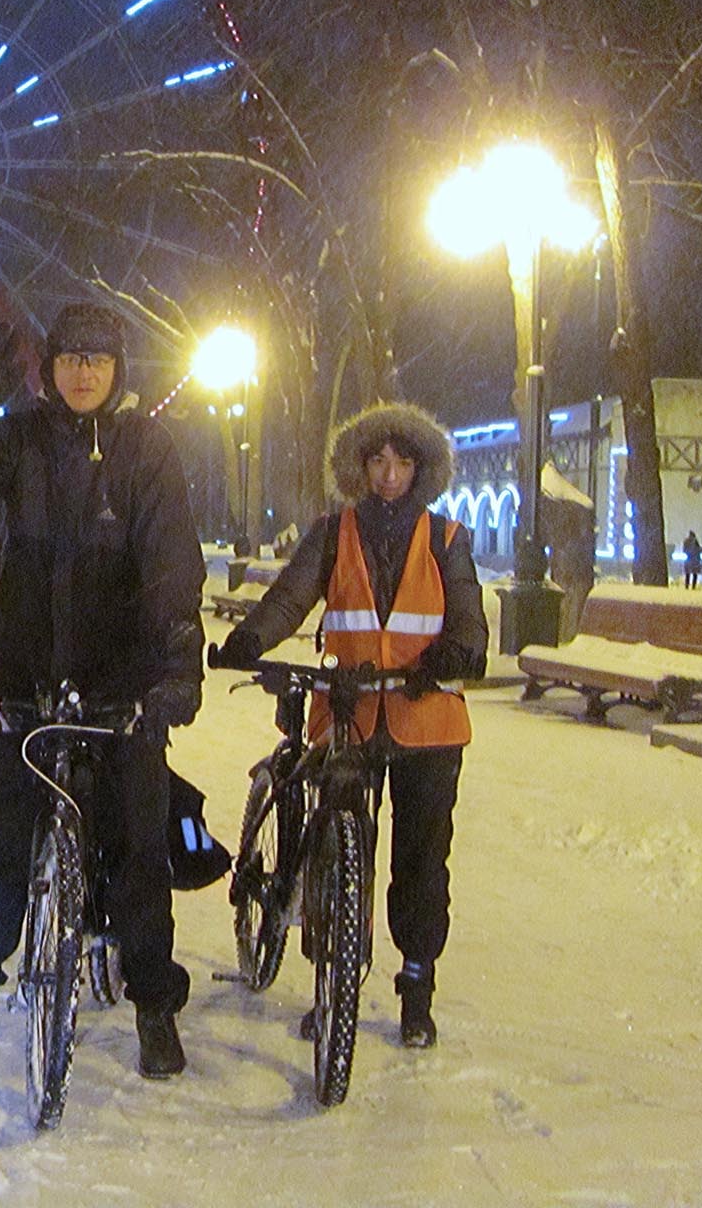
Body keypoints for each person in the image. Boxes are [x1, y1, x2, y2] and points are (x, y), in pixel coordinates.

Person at [0, 303, 207, 1079]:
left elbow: (171, 564)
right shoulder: (17, 438)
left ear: (118, 370)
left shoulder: (144, 448)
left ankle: (153, 1003)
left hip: (119, 682)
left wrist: (176, 668)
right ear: (47, 368)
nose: (83, 371)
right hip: (19, 674)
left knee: (138, 853)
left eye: (98, 358)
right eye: (70, 357)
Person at [211, 402, 487, 1050]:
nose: (388, 474)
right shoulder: (333, 533)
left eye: (402, 462)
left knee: (421, 864)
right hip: (348, 713)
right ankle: (332, 982)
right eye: (377, 461)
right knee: (333, 854)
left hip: (425, 719)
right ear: (358, 468)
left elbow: (468, 616)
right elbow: (291, 596)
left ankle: (416, 987)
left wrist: (453, 655)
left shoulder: (445, 538)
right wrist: (251, 638)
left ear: (420, 470)